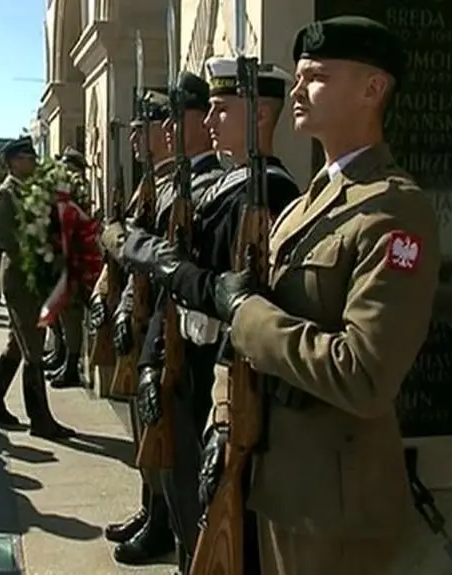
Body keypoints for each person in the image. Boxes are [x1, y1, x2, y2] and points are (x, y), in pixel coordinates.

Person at [193, 17, 440, 575]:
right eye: (299, 77)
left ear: (373, 89)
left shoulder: (395, 210)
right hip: (271, 475)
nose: (298, 91)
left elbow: (365, 374)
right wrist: (222, 415)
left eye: (317, 77)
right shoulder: (305, 204)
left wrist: (246, 315)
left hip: (333, 503)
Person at [107, 58, 301, 569]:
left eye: (221, 110)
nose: (209, 122)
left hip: (223, 375)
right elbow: (174, 292)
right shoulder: (220, 186)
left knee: (220, 515)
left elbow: (248, 299)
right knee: (187, 497)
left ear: (259, 117)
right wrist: (153, 359)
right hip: (189, 362)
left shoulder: (272, 191)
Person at [101, 71, 233, 571]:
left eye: (174, 118)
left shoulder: (208, 186)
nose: (163, 132)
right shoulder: (163, 184)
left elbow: (179, 274)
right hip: (154, 332)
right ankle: (155, 515)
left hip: (184, 347)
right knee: (155, 444)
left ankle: (166, 528)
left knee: (181, 472)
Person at [96, 90, 178, 565]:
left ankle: (162, 519)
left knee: (161, 431)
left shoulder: (177, 187)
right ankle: (150, 508)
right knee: (144, 428)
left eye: (141, 130)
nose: (133, 140)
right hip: (143, 320)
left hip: (166, 328)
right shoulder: (150, 184)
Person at [0, 136, 75, 438]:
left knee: (16, 343)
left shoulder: (32, 191)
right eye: (27, 157)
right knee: (32, 347)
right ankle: (40, 419)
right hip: (21, 278)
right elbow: (9, 240)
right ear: (13, 162)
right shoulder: (6, 194)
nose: (33, 161)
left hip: (34, 276)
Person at [45, 146, 90, 388]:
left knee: (71, 313)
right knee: (62, 311)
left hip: (72, 258)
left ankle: (72, 365)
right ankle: (62, 355)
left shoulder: (78, 192)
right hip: (60, 257)